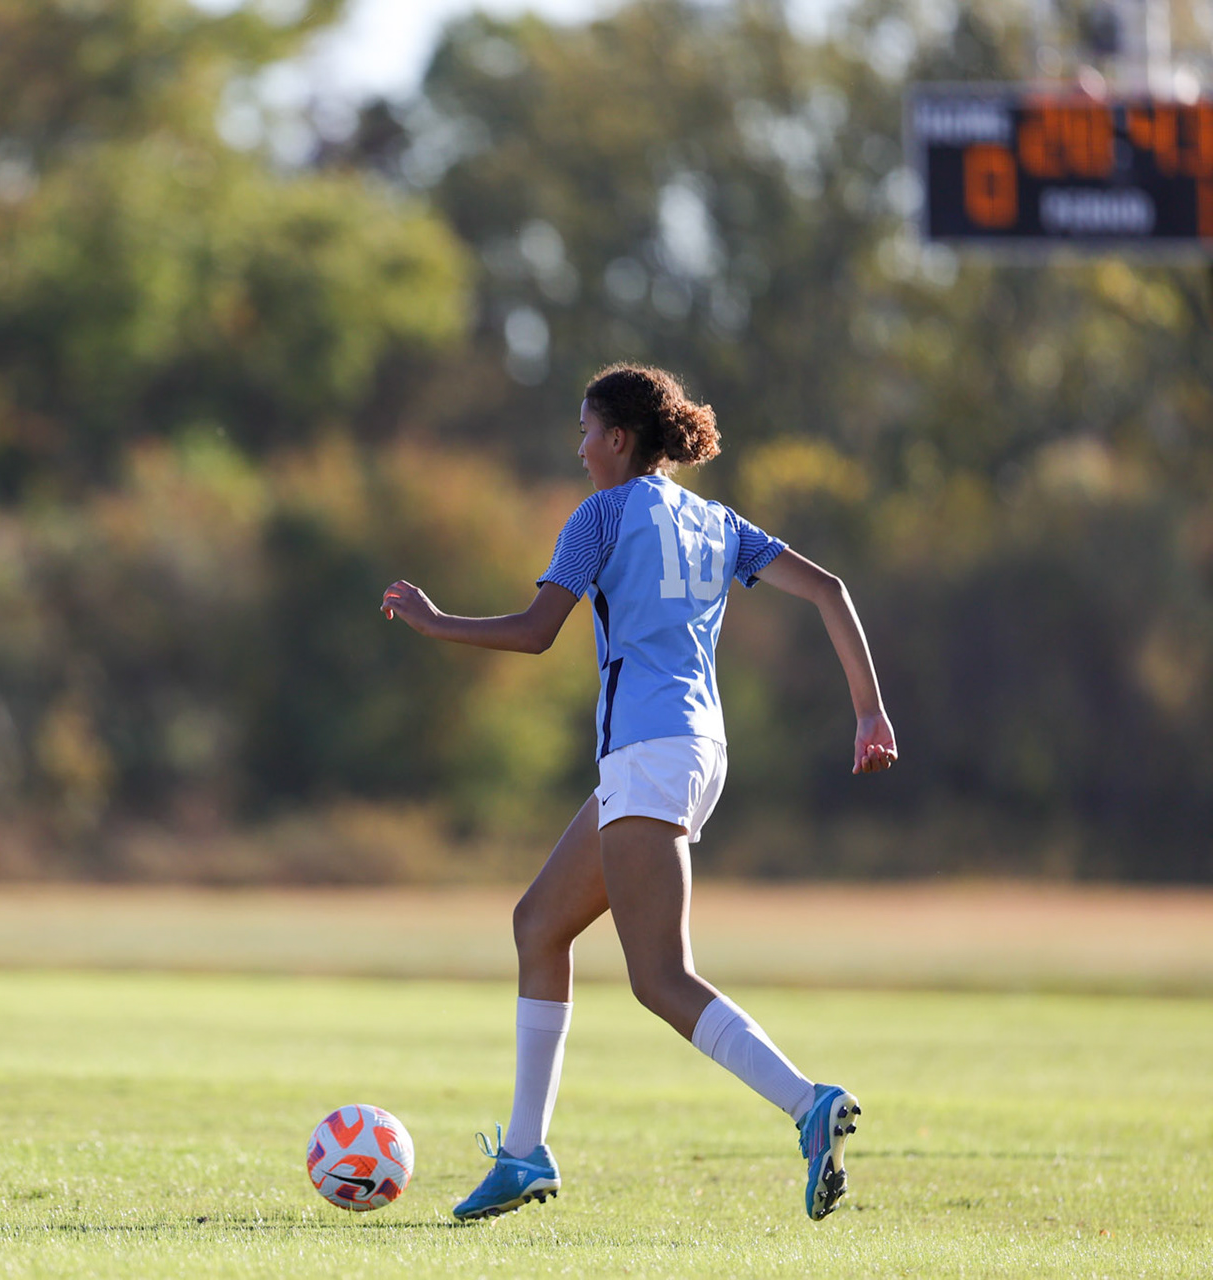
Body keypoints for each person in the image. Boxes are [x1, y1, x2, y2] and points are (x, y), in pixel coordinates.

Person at [381, 363, 895, 1224]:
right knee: (539, 925)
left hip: (647, 754)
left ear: (618, 437)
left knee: (660, 978)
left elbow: (538, 632)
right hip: (695, 750)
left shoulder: (602, 516)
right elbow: (830, 591)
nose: (579, 449)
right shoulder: (715, 521)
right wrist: (870, 713)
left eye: (585, 431)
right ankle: (522, 1153)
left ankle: (809, 1105)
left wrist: (437, 623)